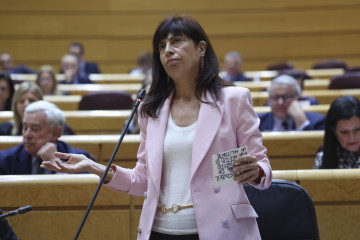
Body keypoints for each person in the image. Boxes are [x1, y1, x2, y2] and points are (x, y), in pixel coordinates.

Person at [41, 15, 272, 240]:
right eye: (162, 46)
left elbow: (262, 165)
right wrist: (94, 167)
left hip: (222, 229)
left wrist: (257, 171)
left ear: (201, 48)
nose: (168, 50)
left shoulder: (234, 100)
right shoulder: (152, 110)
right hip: (160, 231)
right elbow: (142, 180)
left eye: (177, 41)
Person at [0, 100, 92, 175]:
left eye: (35, 129)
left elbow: (80, 194)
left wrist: (56, 163)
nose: (27, 134)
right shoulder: (5, 160)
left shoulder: (80, 161)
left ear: (55, 133)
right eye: (25, 128)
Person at [0, 81, 74, 135]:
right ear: (15, 105)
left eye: (31, 100)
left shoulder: (54, 129)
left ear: (40, 103)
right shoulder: (4, 130)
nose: (26, 105)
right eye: (22, 101)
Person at [258, 75, 325, 131]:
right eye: (275, 97)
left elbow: (314, 145)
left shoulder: (317, 122)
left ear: (297, 98)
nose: (280, 102)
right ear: (269, 99)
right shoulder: (257, 123)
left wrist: (301, 121)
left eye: (286, 97)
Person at [314, 96, 360, 169]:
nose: (352, 137)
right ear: (333, 131)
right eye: (344, 132)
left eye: (357, 129)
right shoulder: (323, 156)